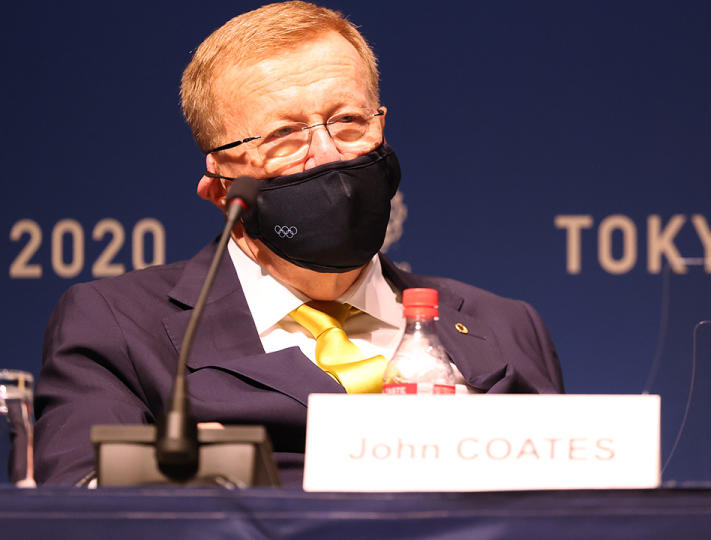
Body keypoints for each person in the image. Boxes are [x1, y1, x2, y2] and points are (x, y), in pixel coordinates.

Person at [34, 1, 563, 487]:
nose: (328, 155)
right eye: (284, 135)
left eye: (349, 121)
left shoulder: (506, 325)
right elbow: (84, 511)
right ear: (219, 185)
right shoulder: (118, 327)